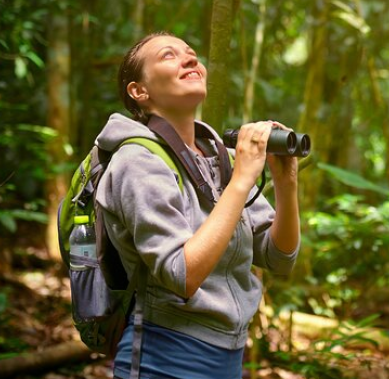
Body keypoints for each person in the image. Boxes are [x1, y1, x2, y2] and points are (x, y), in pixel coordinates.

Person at [94, 31, 300, 379]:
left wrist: (285, 182)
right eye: (169, 55)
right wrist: (241, 181)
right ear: (139, 91)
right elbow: (181, 274)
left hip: (229, 360)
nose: (190, 59)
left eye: (191, 53)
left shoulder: (218, 157)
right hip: (163, 359)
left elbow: (279, 257)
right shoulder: (137, 161)